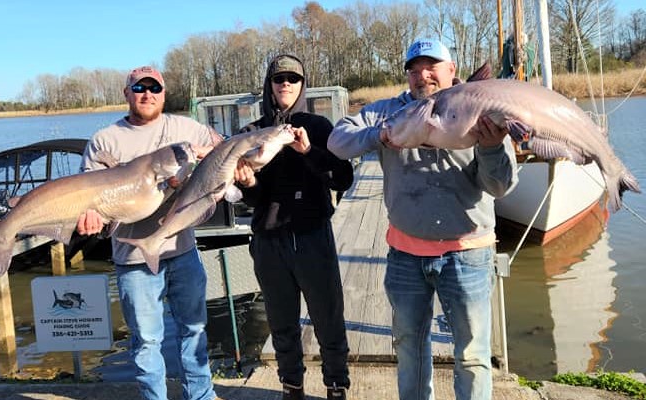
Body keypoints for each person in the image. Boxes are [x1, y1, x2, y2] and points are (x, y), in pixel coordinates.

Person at [327, 39, 519, 400]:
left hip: (467, 254)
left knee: (473, 357)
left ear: (452, 69)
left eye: (431, 67)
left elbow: (501, 187)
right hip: (405, 256)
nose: (422, 76)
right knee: (410, 348)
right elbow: (338, 142)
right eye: (414, 70)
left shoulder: (482, 107)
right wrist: (380, 134)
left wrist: (491, 147)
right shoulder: (390, 111)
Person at [77, 66, 224, 400]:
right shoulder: (104, 140)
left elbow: (222, 151)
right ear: (126, 93)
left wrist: (204, 157)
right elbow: (89, 199)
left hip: (183, 249)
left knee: (194, 329)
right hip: (132, 258)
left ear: (164, 92)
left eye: (154, 87)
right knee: (146, 341)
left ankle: (201, 395)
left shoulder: (183, 128)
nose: (147, 94)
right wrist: (91, 220)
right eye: (139, 88)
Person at [234, 54, 354, 400]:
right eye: (278, 78)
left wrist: (309, 152)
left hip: (312, 236)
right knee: (281, 322)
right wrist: (247, 183)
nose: (285, 83)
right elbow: (252, 201)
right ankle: (291, 386)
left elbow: (343, 178)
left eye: (293, 78)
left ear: (303, 85)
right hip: (269, 241)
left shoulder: (319, 127)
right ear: (268, 86)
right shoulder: (250, 134)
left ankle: (336, 385)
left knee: (328, 317)